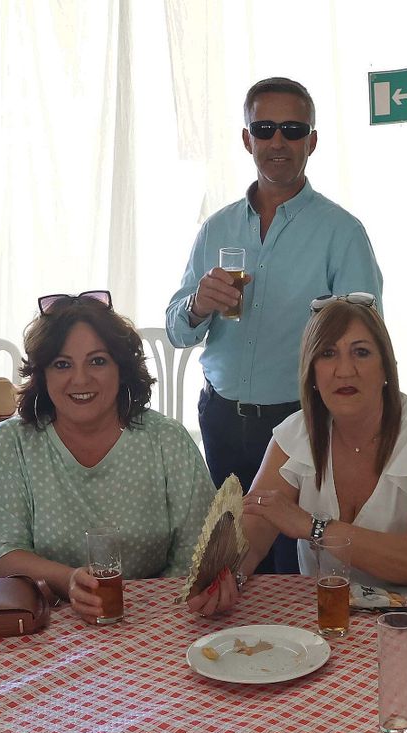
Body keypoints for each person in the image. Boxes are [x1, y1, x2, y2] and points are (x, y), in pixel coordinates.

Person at [165, 76, 383, 574]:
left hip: (302, 422)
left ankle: (299, 651)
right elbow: (177, 330)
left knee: (296, 566)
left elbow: (368, 339)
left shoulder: (341, 232)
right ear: (247, 139)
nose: (278, 142)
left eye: (292, 129)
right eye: (265, 128)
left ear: (312, 140)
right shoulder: (216, 227)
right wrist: (198, 304)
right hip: (220, 419)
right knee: (229, 557)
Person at [187, 296, 407, 614]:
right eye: (328, 354)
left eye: (361, 352)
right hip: (340, 619)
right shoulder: (295, 434)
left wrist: (315, 527)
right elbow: (253, 534)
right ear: (311, 373)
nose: (344, 370)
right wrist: (227, 576)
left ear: (387, 367)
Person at [0, 292, 215, 623]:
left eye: (97, 361)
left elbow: (199, 550)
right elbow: (1, 551)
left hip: (158, 620)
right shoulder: (12, 443)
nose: (80, 379)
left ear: (122, 369)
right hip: (46, 623)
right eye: (62, 364)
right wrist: (69, 580)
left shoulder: (167, 441)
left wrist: (155, 613)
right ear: (42, 374)